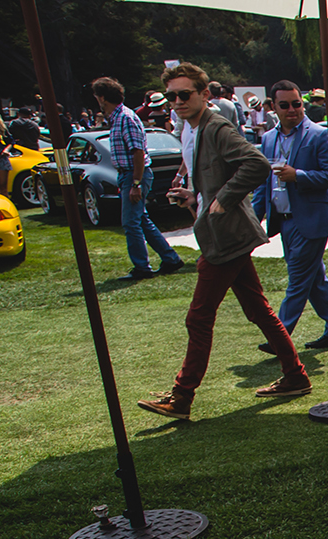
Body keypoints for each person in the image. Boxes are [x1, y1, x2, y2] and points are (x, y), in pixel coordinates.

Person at [137, 63, 310, 419]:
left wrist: (224, 197)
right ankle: (295, 375)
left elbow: (256, 164)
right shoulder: (191, 128)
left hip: (227, 235)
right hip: (222, 232)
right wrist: (195, 195)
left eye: (185, 94)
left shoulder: (216, 126)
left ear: (204, 94)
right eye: (172, 96)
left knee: (198, 318)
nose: (178, 101)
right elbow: (213, 177)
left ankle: (182, 396)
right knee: (258, 309)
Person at [250, 80, 328, 352]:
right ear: (273, 107)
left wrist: (299, 176)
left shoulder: (321, 135)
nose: (292, 110)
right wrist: (254, 218)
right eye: (285, 105)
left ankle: (279, 336)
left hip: (312, 220)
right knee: (314, 279)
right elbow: (263, 184)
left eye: (297, 104)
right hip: (284, 221)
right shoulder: (268, 139)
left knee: (297, 280)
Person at [90, 77, 186, 281]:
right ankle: (170, 259)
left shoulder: (125, 117)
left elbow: (138, 152)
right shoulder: (117, 117)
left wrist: (135, 183)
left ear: (103, 97)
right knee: (141, 220)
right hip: (128, 174)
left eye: (98, 97)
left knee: (130, 223)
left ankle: (142, 267)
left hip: (134, 174)